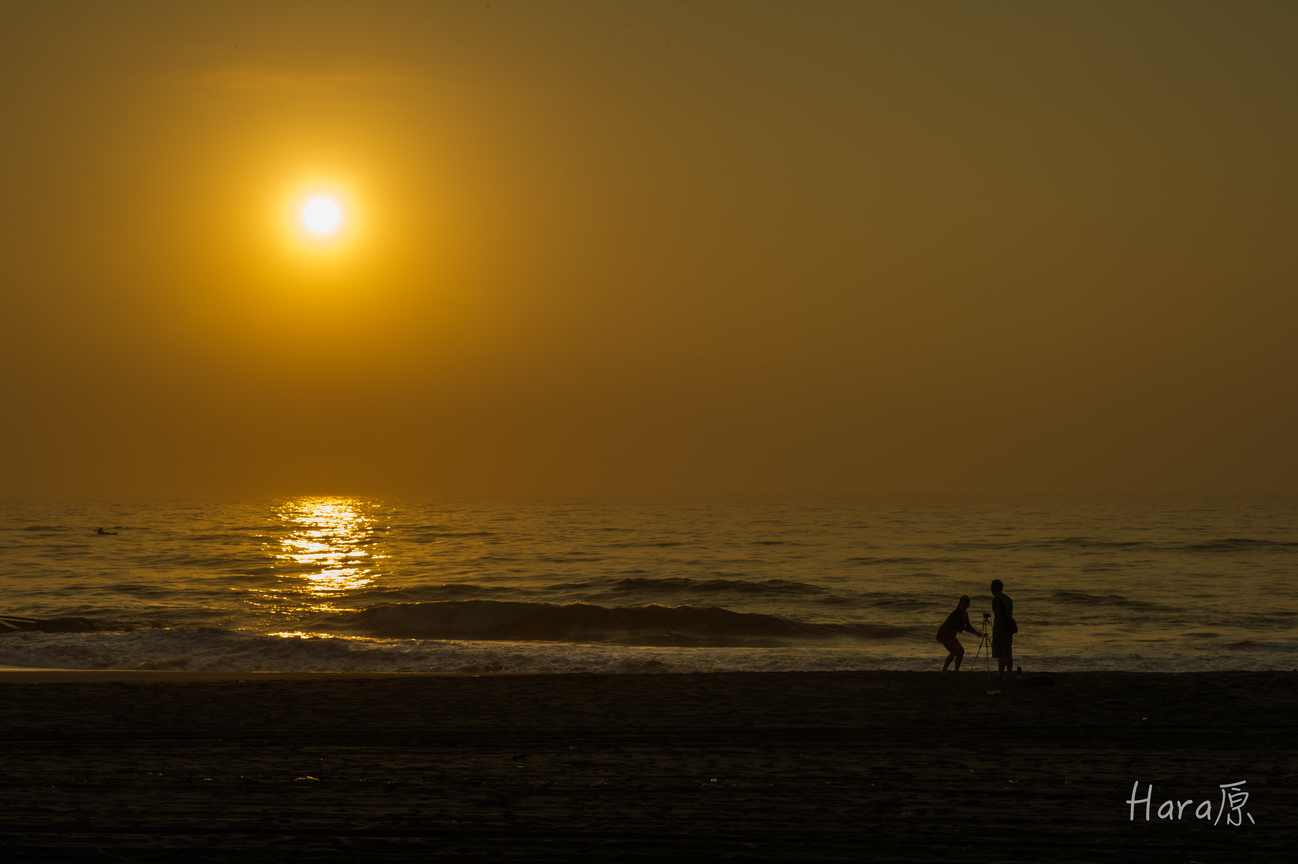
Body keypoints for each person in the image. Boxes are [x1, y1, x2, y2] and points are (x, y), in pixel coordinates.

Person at [936, 595, 979, 672]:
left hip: (951, 634)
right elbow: (963, 626)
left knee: (961, 651)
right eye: (964, 602)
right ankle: (944, 670)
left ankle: (956, 670)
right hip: (945, 632)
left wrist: (975, 632)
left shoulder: (965, 613)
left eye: (967, 602)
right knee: (954, 652)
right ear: (960, 603)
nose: (966, 604)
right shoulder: (957, 612)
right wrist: (974, 633)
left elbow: (968, 626)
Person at [991, 579, 1014, 678]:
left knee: (1001, 654)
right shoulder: (1009, 599)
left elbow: (997, 616)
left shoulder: (996, 600)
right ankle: (1009, 673)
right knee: (1008, 652)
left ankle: (1000, 674)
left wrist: (995, 630)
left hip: (1002, 628)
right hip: (1010, 628)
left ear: (993, 589)